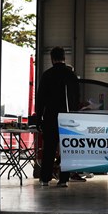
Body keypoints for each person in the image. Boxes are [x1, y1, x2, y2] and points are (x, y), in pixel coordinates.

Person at [36, 47, 80, 187]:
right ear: (64, 58)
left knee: (49, 147)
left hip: (50, 116)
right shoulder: (71, 75)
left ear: (52, 58)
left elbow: (40, 99)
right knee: (66, 148)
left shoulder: (47, 75)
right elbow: (76, 98)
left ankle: (45, 179)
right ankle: (64, 179)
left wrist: (38, 118)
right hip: (68, 117)